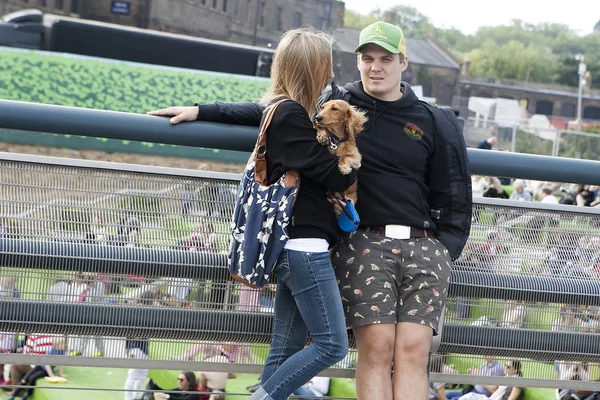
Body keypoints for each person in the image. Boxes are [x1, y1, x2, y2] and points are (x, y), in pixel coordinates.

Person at [148, 20, 471, 400]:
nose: (375, 66)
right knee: (375, 348)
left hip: (422, 245)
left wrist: (445, 247)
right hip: (363, 241)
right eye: (367, 58)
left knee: (414, 352)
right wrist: (203, 110)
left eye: (385, 58)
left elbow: (452, 189)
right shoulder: (338, 103)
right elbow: (274, 112)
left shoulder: (433, 119)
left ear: (404, 62)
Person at [151, 27, 355, 400]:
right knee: (332, 344)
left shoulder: (291, 112)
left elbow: (257, 114)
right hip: (304, 248)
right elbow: (338, 175)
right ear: (311, 68)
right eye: (326, 67)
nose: (331, 76)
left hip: (297, 247)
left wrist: (202, 110)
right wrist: (349, 147)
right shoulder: (291, 115)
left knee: (283, 350)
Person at [7, 336, 66, 400]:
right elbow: (47, 364)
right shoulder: (52, 350)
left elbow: (61, 363)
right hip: (40, 365)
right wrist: (52, 375)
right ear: (55, 345)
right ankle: (14, 395)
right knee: (25, 379)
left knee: (32, 378)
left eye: (63, 344)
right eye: (60, 345)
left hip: (45, 370)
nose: (62, 346)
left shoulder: (63, 351)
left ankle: (27, 394)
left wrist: (60, 374)